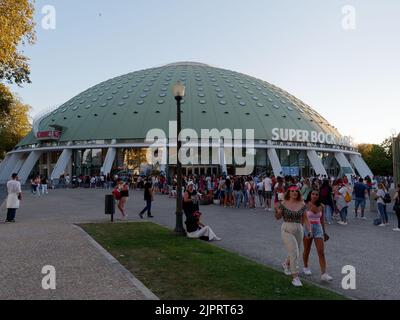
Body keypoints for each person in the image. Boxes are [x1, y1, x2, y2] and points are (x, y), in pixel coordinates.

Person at [275, 185, 309, 287]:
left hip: (299, 228)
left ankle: (286, 263)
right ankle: (295, 277)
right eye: (292, 191)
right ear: (288, 193)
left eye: (296, 191)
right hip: (286, 228)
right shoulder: (283, 203)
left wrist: (309, 229)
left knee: (296, 250)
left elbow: (306, 218)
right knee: (294, 253)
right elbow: (277, 217)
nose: (294, 193)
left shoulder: (302, 203)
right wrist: (276, 211)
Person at [303, 190, 333, 282]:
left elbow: (322, 220)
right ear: (310, 195)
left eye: (316, 194)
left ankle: (324, 273)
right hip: (308, 228)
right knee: (307, 249)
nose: (315, 196)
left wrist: (324, 232)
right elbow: (302, 218)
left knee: (321, 251)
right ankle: (305, 266)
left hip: (318, 228)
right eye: (313, 194)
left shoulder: (322, 206)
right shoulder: (305, 205)